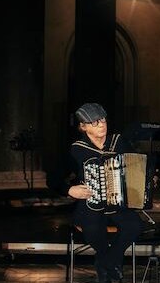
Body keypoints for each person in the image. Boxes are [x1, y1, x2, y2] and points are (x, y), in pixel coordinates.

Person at [48, 103, 143, 283]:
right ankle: (110, 263)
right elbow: (52, 179)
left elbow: (136, 164)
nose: (101, 125)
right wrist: (70, 190)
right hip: (90, 202)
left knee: (135, 226)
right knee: (92, 229)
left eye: (103, 120)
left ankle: (106, 262)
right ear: (83, 127)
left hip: (117, 202)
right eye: (95, 122)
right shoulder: (76, 149)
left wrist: (146, 179)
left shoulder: (118, 142)